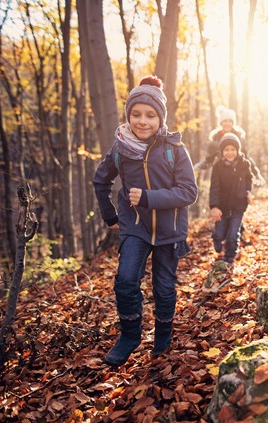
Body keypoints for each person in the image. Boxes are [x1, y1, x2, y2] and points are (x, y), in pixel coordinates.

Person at [93, 75, 198, 366]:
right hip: (135, 227)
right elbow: (100, 181)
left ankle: (163, 333)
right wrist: (110, 215)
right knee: (125, 280)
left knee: (164, 287)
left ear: (160, 118)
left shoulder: (174, 149)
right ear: (128, 116)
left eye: (150, 115)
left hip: (169, 230)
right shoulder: (120, 148)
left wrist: (150, 197)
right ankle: (130, 335)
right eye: (136, 114)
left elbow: (189, 192)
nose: (142, 121)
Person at [209, 132, 253, 266]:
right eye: (226, 150)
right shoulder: (217, 167)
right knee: (220, 233)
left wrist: (248, 192)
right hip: (222, 206)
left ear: (237, 150)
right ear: (222, 151)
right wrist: (214, 207)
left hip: (238, 205)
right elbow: (214, 187)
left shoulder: (244, 164)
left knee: (233, 235)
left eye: (233, 149)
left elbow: (248, 179)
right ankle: (216, 238)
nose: (230, 152)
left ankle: (229, 258)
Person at [194, 105, 265, 186]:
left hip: (239, 178)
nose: (227, 123)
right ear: (221, 123)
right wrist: (196, 168)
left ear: (233, 123)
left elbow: (247, 158)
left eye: (230, 121)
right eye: (225, 121)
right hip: (222, 178)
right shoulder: (215, 142)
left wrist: (256, 173)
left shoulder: (240, 139)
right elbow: (208, 161)